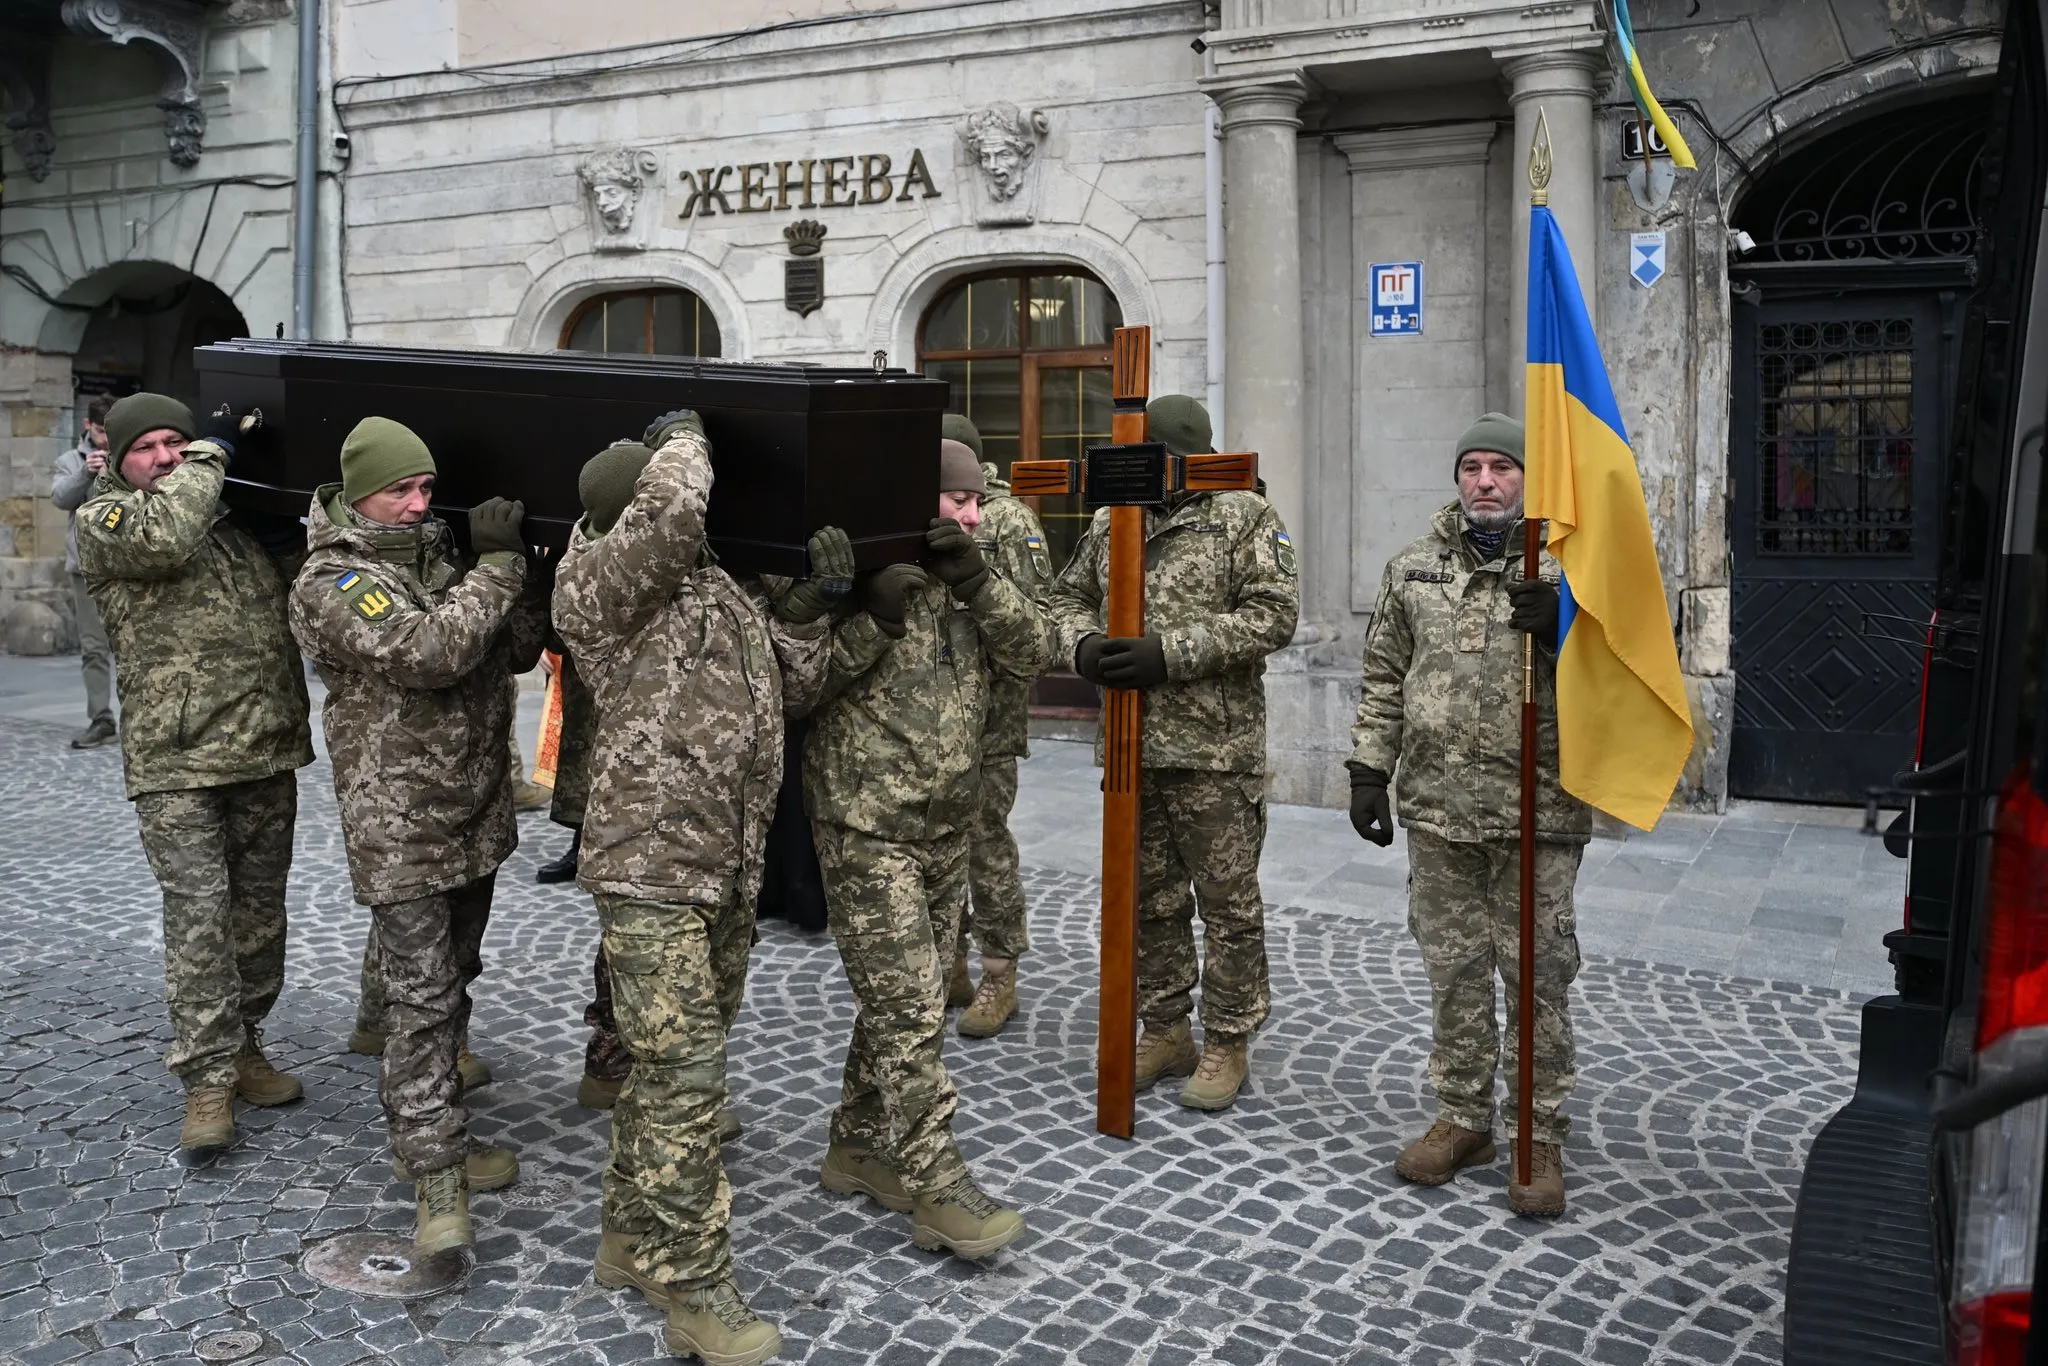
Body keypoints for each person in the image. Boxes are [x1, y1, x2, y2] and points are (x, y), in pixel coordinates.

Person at [553, 418, 840, 1366]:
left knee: (671, 1065)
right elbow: (673, 506)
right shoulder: (597, 582)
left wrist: (813, 605)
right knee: (684, 1075)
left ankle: (628, 1235)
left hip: (727, 861)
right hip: (651, 863)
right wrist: (686, 434)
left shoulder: (713, 585)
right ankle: (692, 1281)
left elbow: (791, 689)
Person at [288, 417, 547, 1254]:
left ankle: (439, 1136)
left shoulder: (442, 556)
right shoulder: (336, 578)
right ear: (357, 490)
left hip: (471, 812)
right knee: (421, 999)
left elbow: (511, 650)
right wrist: (499, 569)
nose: (417, 503)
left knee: (456, 978)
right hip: (399, 824)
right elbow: (429, 649)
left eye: (427, 488)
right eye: (400, 489)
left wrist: (527, 572)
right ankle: (433, 1175)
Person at [806, 438, 1053, 1261]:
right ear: (918, 498)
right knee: (913, 1004)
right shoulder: (853, 563)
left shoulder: (969, 573)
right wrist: (866, 613)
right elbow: (795, 684)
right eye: (958, 501)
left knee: (895, 1001)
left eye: (979, 501)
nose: (974, 516)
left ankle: (857, 1143)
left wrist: (979, 584)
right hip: (865, 821)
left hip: (949, 820)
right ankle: (937, 1181)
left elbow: (1037, 649)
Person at [1345, 412, 1588, 1218]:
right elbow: (1384, 673)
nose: (1486, 481)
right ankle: (1463, 1116)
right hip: (1440, 809)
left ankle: (1538, 1130)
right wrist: (1368, 771)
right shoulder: (1413, 569)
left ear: (1529, 477)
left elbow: (1623, 669)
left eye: (1504, 467)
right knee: (1452, 970)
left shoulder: (1566, 566)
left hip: (1537, 807)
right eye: (1472, 467)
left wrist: (1563, 629)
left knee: (1537, 974)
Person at [75, 392, 315, 1161]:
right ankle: (207, 1081)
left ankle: (246, 1042)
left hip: (263, 747)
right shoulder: (107, 519)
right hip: (175, 761)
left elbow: (304, 601)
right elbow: (167, 532)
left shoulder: (229, 522)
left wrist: (287, 536)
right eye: (147, 446)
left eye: (177, 441)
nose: (168, 456)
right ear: (117, 459)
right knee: (200, 922)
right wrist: (215, 448)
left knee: (259, 916)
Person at [1047, 395, 1298, 1113]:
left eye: (1145, 450)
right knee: (1147, 898)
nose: (1131, 462)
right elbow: (1065, 600)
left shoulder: (1241, 514)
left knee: (1226, 902)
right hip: (1132, 746)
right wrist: (1084, 646)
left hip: (1215, 750)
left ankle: (1227, 1037)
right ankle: (1165, 1027)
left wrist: (1171, 654)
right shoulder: (1109, 521)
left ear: (1179, 455)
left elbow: (1273, 613)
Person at [942, 413, 1054, 1038]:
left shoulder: (1006, 519)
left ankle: (998, 972)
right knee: (938, 846)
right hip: (930, 721)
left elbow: (1035, 625)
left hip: (988, 719)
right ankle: (950, 963)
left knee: (986, 845)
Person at [52, 394, 119, 749]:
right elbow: (60, 498)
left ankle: (145, 717)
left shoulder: (129, 456)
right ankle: (101, 718)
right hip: (85, 569)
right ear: (87, 427)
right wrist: (86, 472)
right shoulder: (69, 460)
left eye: (110, 432)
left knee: (133, 646)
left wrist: (114, 471)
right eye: (98, 431)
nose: (104, 440)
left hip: (126, 566)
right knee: (93, 648)